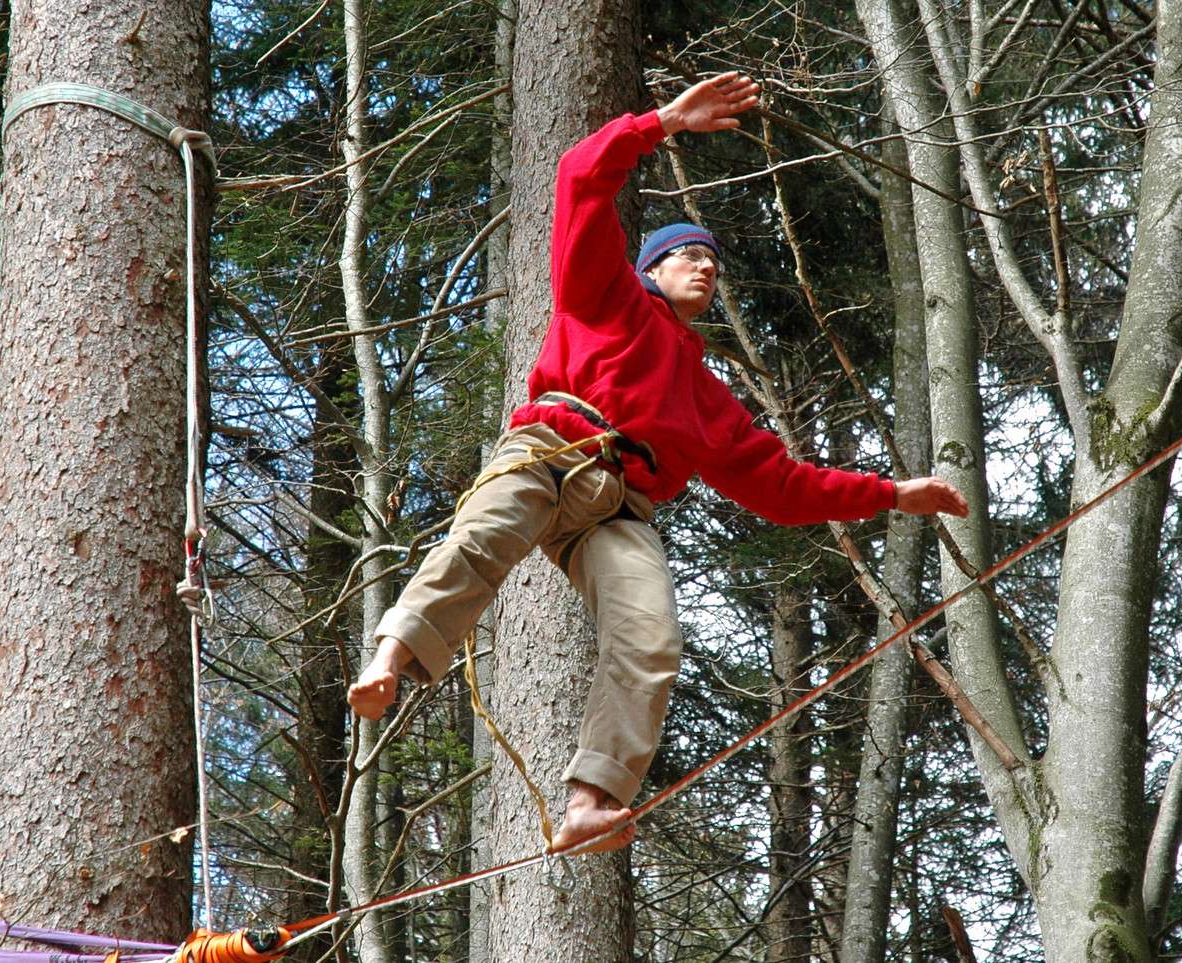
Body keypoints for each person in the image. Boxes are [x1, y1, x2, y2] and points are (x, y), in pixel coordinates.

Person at [347, 71, 968, 854]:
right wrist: (664, 122)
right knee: (486, 537)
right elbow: (578, 177)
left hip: (620, 508)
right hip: (552, 448)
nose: (704, 267)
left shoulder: (708, 397)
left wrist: (890, 494)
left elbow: (782, 488)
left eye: (712, 260)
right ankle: (391, 656)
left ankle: (588, 798)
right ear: (651, 269)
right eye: (686, 256)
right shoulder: (602, 294)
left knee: (651, 635)